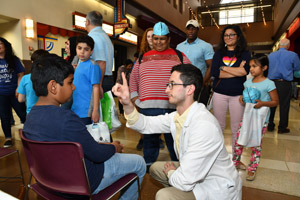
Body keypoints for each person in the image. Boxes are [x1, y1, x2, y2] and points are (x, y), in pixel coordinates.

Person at [23, 54, 146, 200]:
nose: (74, 87)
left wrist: (102, 146)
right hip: (83, 181)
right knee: (139, 163)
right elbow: (97, 154)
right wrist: (114, 147)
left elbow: (75, 145)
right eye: (70, 82)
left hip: (49, 181)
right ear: (53, 86)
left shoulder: (30, 118)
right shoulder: (66, 118)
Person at [113, 64, 242, 200]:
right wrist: (127, 103)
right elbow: (145, 124)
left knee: (164, 196)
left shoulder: (204, 126)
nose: (166, 90)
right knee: (156, 168)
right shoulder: (178, 116)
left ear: (190, 89)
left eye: (172, 84)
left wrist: (171, 173)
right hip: (195, 176)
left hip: (216, 187)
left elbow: (184, 181)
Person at [130, 22, 191, 168]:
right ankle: (149, 166)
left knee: (175, 140)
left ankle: (179, 166)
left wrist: (185, 100)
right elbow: (133, 78)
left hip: (173, 107)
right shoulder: (143, 57)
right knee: (149, 140)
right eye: (155, 38)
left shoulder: (179, 56)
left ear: (169, 39)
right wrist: (134, 98)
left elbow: (190, 76)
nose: (158, 42)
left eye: (162, 38)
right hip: (148, 107)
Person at [232, 54, 279, 181]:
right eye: (250, 66)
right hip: (247, 117)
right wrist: (242, 98)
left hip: (261, 120)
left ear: (264, 67)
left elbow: (275, 101)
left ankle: (252, 169)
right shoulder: (247, 82)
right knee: (238, 141)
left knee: (256, 144)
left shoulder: (269, 83)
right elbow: (244, 97)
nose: (251, 69)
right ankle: (234, 164)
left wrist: (263, 103)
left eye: (255, 66)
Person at [211, 25, 251, 153]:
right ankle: (218, 156)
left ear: (238, 36)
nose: (228, 37)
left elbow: (244, 71)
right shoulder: (218, 53)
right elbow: (215, 73)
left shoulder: (245, 53)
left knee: (236, 128)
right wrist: (236, 70)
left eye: (232, 34)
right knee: (218, 126)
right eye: (226, 35)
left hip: (237, 96)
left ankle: (236, 158)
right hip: (219, 94)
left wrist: (224, 68)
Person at [135, 27, 165, 151]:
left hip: (161, 95)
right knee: (145, 122)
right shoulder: (141, 57)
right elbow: (136, 77)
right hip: (145, 96)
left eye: (153, 36)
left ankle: (157, 139)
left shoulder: (165, 55)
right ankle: (144, 139)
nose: (151, 39)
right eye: (148, 37)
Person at [176, 19, 214, 105]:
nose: (190, 31)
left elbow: (211, 66)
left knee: (198, 111)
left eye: (193, 29)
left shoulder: (206, 46)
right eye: (188, 29)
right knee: (183, 110)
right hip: (182, 84)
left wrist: (203, 82)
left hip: (198, 85)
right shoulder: (179, 47)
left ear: (197, 30)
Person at [267, 38, 300, 133]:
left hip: (271, 83)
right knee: (284, 105)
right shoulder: (293, 55)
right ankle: (282, 127)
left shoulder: (270, 55)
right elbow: (297, 70)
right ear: (288, 46)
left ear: (278, 45)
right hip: (284, 83)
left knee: (271, 104)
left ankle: (270, 124)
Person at [0, 37, 27, 148]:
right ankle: (8, 138)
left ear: (5, 46)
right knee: (4, 116)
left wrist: (18, 88)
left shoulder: (14, 59)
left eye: (0, 44)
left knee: (22, 113)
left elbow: (20, 75)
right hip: (1, 93)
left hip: (14, 92)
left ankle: (29, 134)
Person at [71, 35, 100, 125]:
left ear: (91, 51)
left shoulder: (93, 65)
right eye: (79, 48)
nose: (82, 52)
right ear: (76, 48)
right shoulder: (78, 64)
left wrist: (95, 110)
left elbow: (96, 87)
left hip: (86, 110)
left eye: (86, 49)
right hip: (75, 108)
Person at [86, 11, 114, 98]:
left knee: (95, 109)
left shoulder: (94, 36)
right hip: (107, 78)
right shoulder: (105, 36)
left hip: (99, 80)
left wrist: (99, 85)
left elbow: (101, 62)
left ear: (87, 22)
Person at [17, 49, 49, 114]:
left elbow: (20, 99)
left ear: (32, 62)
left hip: (32, 113)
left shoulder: (25, 78)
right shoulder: (52, 77)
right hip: (48, 112)